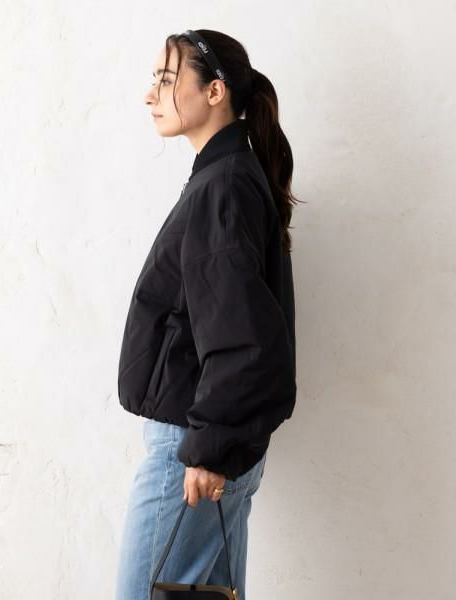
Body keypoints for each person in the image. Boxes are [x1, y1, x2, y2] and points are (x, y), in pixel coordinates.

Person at [114, 29, 300, 600]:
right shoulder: (228, 178)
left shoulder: (224, 186)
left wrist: (209, 450)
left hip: (194, 450)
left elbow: (242, 335)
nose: (151, 94)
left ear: (215, 91)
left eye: (167, 79)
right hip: (209, 442)